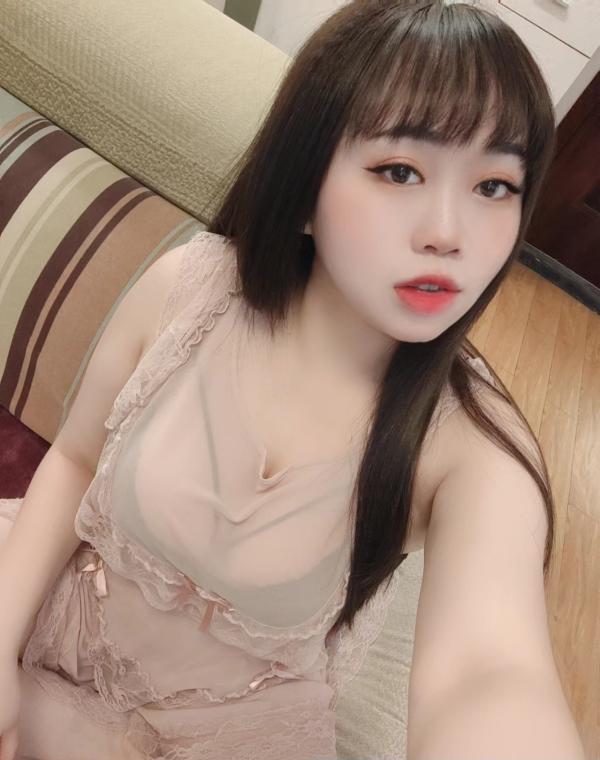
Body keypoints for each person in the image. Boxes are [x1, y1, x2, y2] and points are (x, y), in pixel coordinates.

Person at [0, 1, 586, 758]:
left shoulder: (473, 449)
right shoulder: (190, 291)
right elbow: (77, 460)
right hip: (46, 640)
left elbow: (488, 673)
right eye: (400, 171)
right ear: (304, 183)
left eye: (495, 186)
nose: (449, 232)